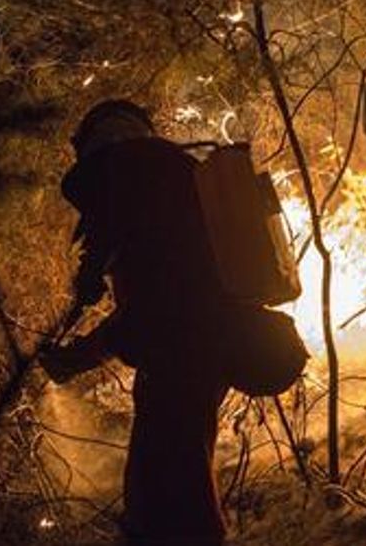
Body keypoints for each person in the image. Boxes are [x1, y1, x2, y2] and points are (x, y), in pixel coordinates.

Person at [40, 99, 232, 545]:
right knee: (174, 472)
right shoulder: (184, 178)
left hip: (177, 353)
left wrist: (79, 355)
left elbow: (154, 309)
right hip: (213, 341)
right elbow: (153, 301)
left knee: (169, 487)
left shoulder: (124, 176)